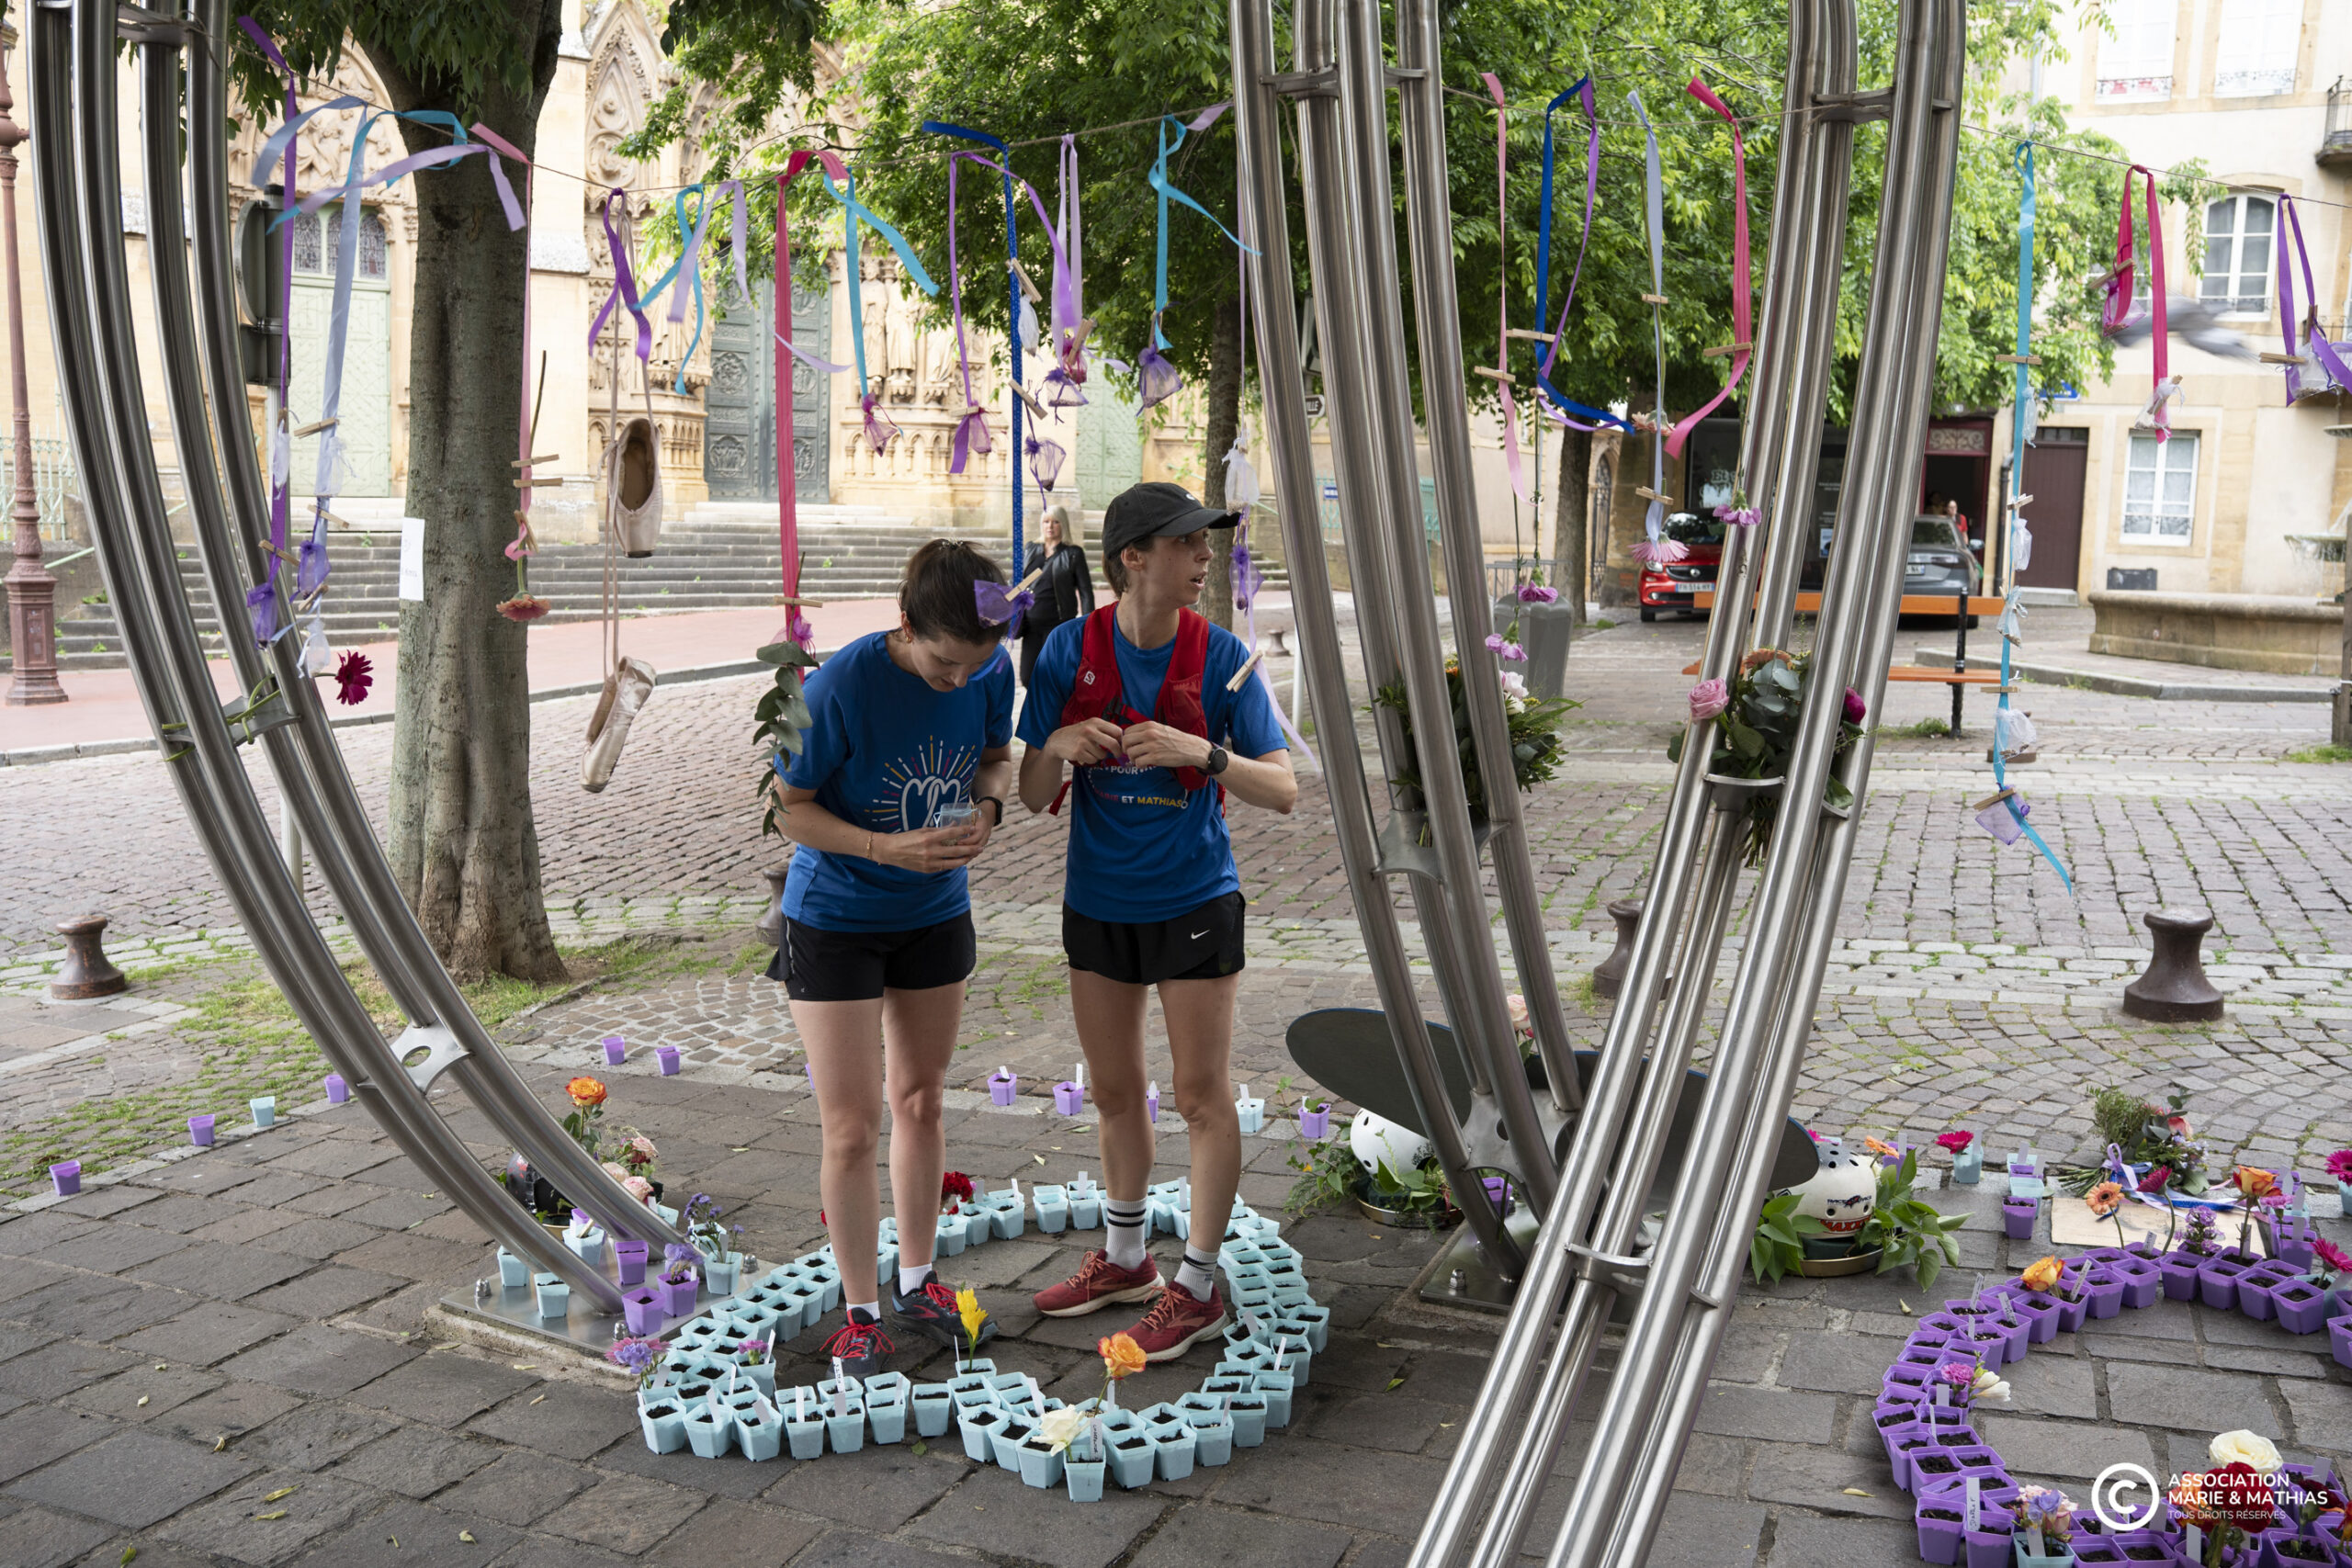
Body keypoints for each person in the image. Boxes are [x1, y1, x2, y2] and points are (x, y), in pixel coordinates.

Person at [1017, 481, 1297, 1360]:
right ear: (1133, 557)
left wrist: (1201, 752)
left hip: (1194, 899)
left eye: (1207, 541)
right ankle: (1128, 1258)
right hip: (1099, 901)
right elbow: (1029, 793)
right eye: (1187, 542)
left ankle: (1199, 1286)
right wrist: (1055, 745)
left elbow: (1284, 787)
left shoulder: (1222, 656)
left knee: (1201, 1096)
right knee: (1112, 1090)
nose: (1206, 555)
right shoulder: (1069, 650)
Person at [769, 539, 1015, 1377]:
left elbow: (996, 757)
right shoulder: (836, 687)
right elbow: (790, 810)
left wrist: (988, 809)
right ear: (906, 624)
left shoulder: (989, 669)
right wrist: (884, 847)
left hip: (934, 913)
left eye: (975, 666)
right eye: (945, 663)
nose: (960, 680)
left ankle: (917, 1280)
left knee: (921, 1098)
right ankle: (861, 1312)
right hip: (835, 917)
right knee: (851, 1125)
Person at [1018, 503, 1096, 688]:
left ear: (1064, 524)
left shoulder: (1073, 553)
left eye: (1055, 522)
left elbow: (1085, 592)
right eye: (1046, 521)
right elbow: (1021, 584)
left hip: (1058, 625)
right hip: (1030, 624)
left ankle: (1051, 706)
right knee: (1027, 676)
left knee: (1052, 675)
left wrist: (1088, 626)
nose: (1050, 526)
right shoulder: (1031, 549)